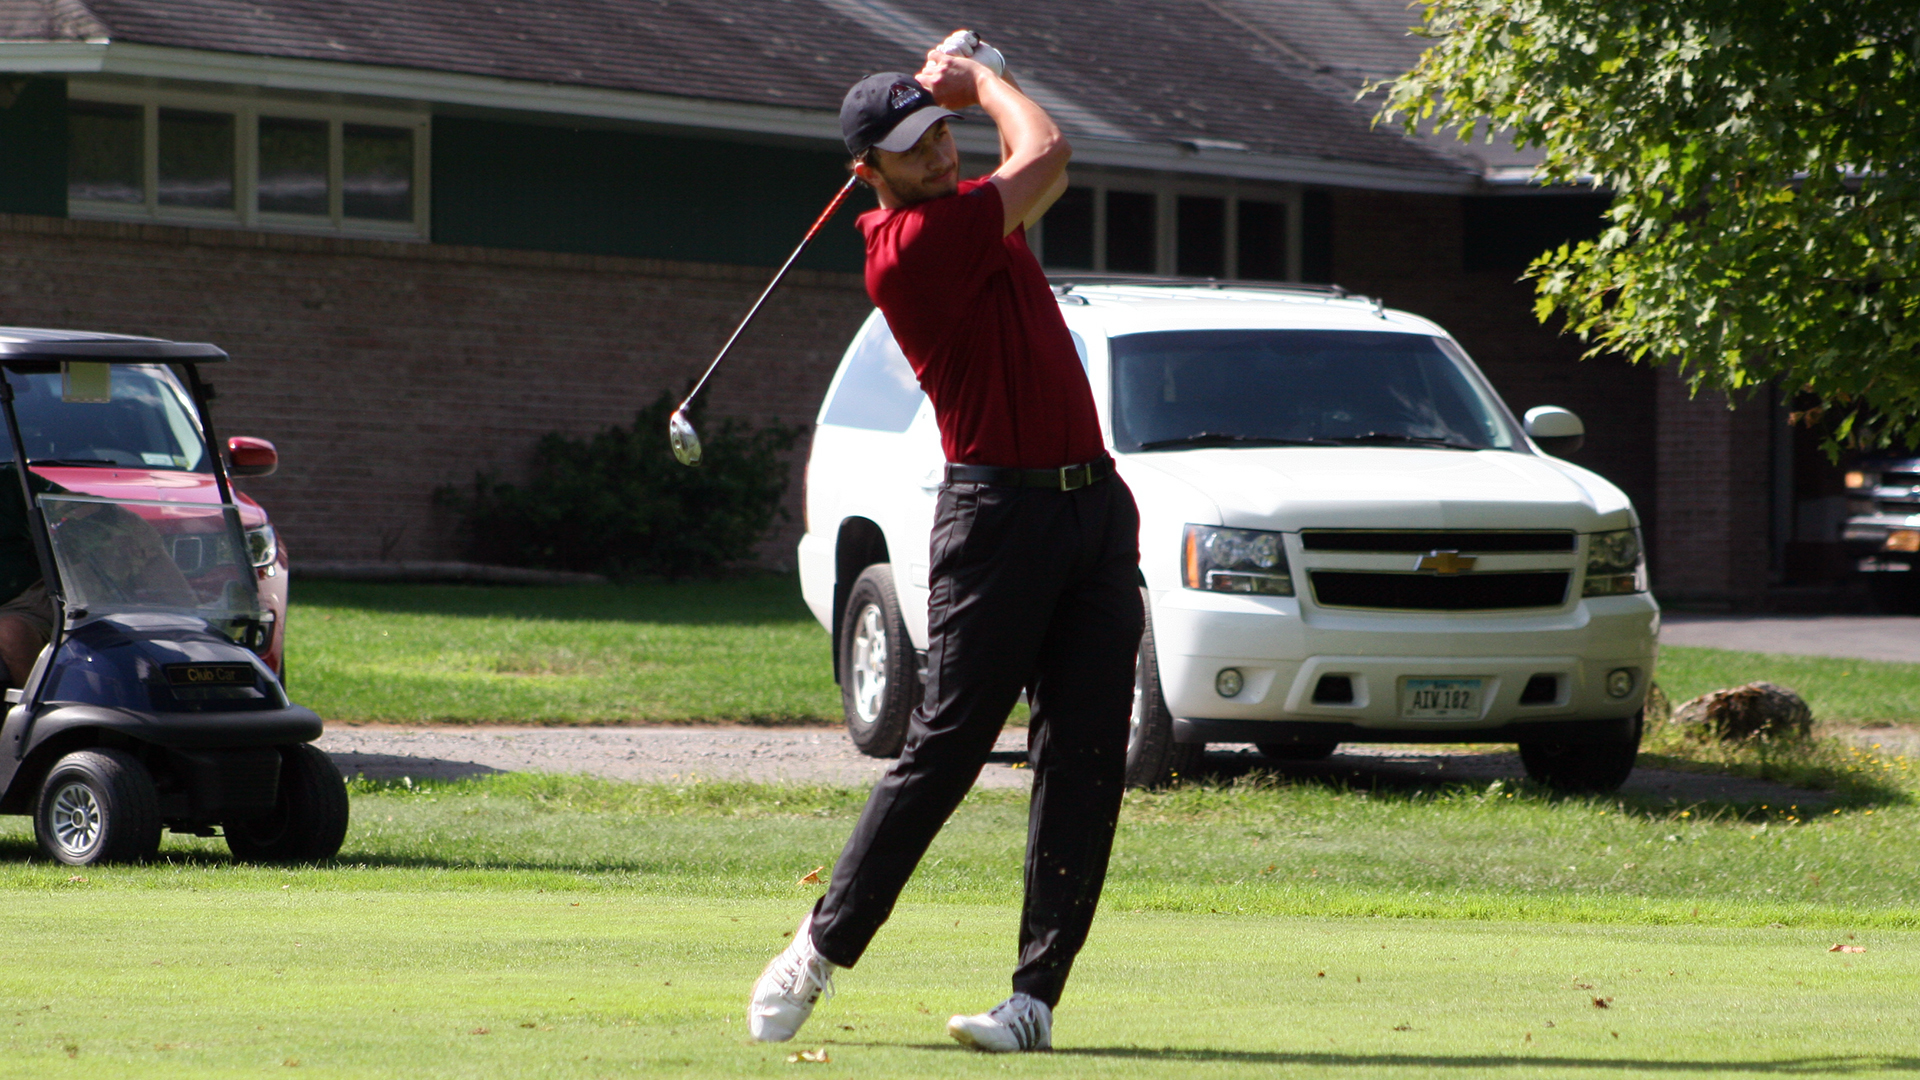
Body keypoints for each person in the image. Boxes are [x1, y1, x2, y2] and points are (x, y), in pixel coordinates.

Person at [747, 37, 1144, 1054]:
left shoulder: (970, 215)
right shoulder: (913, 247)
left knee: (1087, 756)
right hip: (996, 518)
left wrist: (948, 90)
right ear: (868, 174)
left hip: (1092, 510)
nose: (939, 155)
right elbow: (1047, 152)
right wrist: (983, 83)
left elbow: (1023, 172)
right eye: (913, 148)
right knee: (948, 746)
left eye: (942, 136)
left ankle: (1034, 1001)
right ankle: (820, 948)